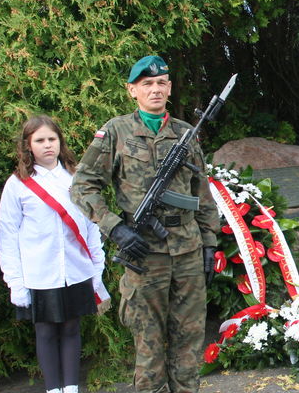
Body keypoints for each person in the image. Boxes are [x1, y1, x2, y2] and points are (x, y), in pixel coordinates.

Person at [70, 56, 219, 393]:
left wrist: (209, 244)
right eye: (147, 84)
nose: (155, 89)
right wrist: (114, 227)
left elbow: (202, 193)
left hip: (187, 250)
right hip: (143, 252)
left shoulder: (185, 133)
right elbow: (82, 186)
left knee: (189, 339)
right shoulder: (115, 132)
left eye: (162, 82)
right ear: (132, 90)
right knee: (149, 344)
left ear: (169, 87)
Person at [0, 115, 110, 393]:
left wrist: (97, 268)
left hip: (76, 269)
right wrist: (16, 282)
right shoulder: (18, 184)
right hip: (39, 273)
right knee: (46, 332)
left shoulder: (76, 178)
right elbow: (7, 236)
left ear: (60, 142)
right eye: (40, 140)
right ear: (28, 145)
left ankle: (71, 389)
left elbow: (91, 225)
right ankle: (53, 389)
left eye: (52, 139)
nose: (47, 145)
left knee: (72, 329)